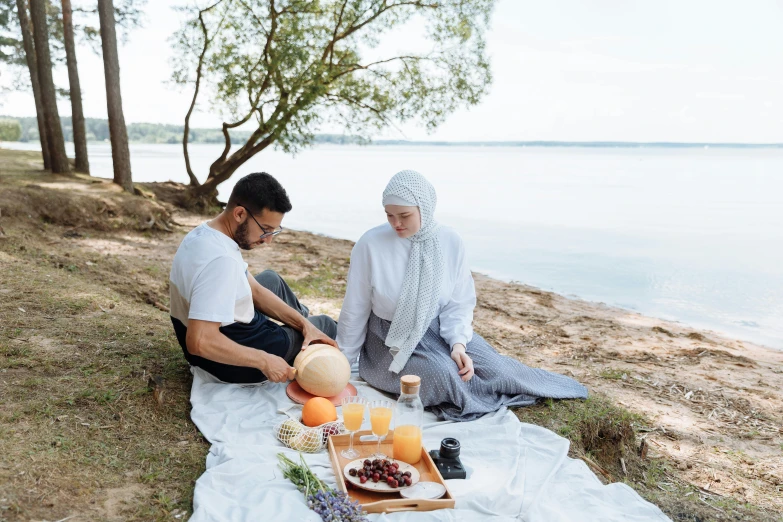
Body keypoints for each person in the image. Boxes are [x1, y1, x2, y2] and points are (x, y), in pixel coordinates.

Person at [336, 170, 588, 421]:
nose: (396, 223)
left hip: (439, 329)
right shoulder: (370, 244)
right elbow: (354, 309)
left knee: (498, 370)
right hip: (389, 340)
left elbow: (459, 303)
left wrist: (457, 344)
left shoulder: (450, 241)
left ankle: (551, 388)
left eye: (405, 215)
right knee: (444, 374)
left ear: (424, 207)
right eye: (389, 215)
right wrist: (342, 366)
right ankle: (472, 396)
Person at [169, 172, 337, 384]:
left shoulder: (207, 233)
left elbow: (256, 291)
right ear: (239, 214)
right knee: (326, 324)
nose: (268, 241)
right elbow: (199, 341)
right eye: (265, 230)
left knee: (271, 280)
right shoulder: (221, 262)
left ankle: (303, 331)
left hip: (217, 328)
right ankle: (303, 339)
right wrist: (264, 361)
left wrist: (304, 324)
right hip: (230, 358)